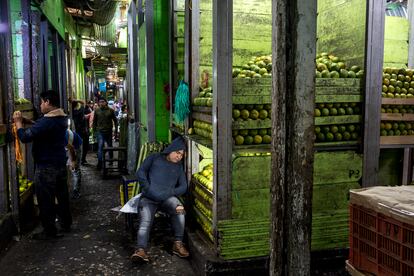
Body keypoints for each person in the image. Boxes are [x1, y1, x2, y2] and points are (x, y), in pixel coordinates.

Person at [13, 90, 72, 239]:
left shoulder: (47, 122)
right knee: (62, 195)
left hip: (46, 166)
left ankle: (49, 231)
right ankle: (66, 223)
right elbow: (45, 127)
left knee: (46, 199)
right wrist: (31, 122)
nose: (40, 105)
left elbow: (25, 137)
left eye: (41, 102)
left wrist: (19, 123)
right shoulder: (62, 117)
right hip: (59, 163)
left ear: (47, 102)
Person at [131, 136, 189, 263]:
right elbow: (141, 172)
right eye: (177, 153)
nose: (179, 157)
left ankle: (178, 244)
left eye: (182, 155)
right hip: (149, 198)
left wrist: (170, 192)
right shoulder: (154, 158)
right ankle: (141, 250)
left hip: (167, 199)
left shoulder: (178, 167)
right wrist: (147, 188)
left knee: (179, 208)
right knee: (145, 220)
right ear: (171, 149)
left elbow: (184, 186)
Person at [93, 98, 117, 170]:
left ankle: (111, 160)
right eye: (100, 102)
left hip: (109, 131)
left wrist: (115, 130)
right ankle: (100, 162)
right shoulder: (97, 111)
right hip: (100, 131)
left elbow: (115, 120)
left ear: (106, 102)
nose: (101, 103)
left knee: (110, 146)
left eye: (103, 102)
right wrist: (94, 131)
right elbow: (94, 121)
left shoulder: (110, 111)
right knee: (100, 147)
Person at [66, 126, 83, 199]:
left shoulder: (62, 135)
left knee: (75, 169)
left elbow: (71, 148)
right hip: (68, 146)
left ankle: (76, 192)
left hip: (75, 145)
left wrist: (73, 161)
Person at [71, 100, 89, 165]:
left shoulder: (72, 113)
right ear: (77, 105)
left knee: (78, 147)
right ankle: (83, 159)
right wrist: (77, 100)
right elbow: (83, 102)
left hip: (76, 131)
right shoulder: (80, 111)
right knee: (85, 145)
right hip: (83, 131)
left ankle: (78, 159)